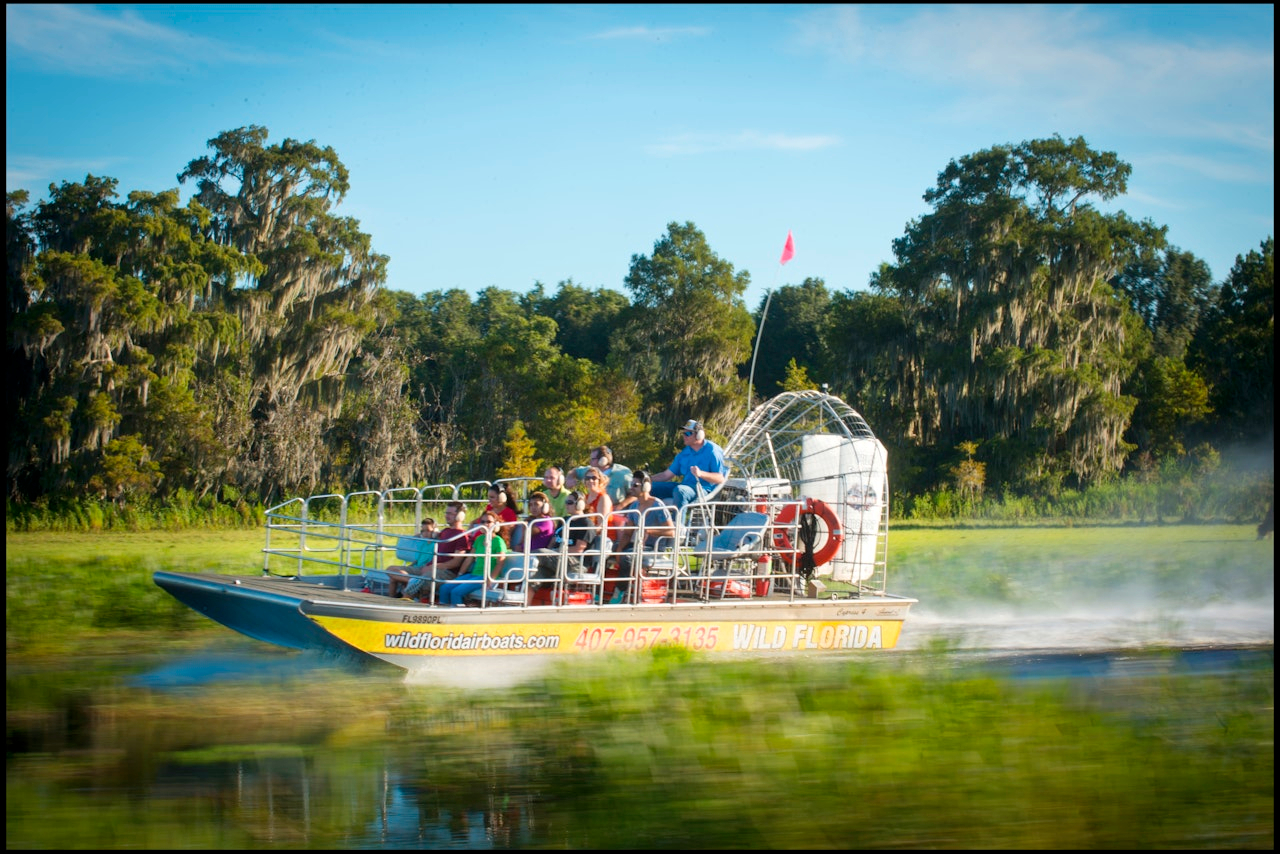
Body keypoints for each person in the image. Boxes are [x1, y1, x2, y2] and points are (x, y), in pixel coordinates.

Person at [611, 469, 675, 602]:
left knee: (628, 557)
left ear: (645, 487)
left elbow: (671, 531)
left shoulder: (657, 505)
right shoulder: (634, 505)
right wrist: (619, 549)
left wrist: (649, 531)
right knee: (613, 548)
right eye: (631, 484)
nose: (631, 488)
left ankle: (620, 591)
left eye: (635, 485)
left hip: (653, 548)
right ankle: (608, 589)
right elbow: (628, 532)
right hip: (638, 545)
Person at [400, 502, 475, 601]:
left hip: (446, 572)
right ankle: (402, 594)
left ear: (460, 516)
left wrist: (433, 567)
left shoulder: (462, 536)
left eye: (450, 514)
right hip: (429, 568)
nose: (446, 516)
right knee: (393, 570)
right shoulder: (445, 531)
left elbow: (456, 562)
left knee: (423, 579)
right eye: (446, 513)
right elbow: (430, 536)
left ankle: (405, 601)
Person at [650, 419, 728, 510]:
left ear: (699, 435)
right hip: (684, 486)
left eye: (688, 434)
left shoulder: (712, 451)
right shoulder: (684, 454)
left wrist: (701, 474)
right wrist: (646, 479)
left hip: (702, 489)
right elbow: (665, 475)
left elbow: (720, 478)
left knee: (680, 491)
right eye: (683, 433)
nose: (684, 436)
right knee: (649, 488)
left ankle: (678, 523)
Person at [438, 511, 509, 606]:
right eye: (482, 522)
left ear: (495, 524)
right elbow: (469, 559)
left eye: (488, 522)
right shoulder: (479, 539)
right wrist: (460, 574)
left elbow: (500, 562)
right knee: (444, 588)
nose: (485, 524)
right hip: (474, 574)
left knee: (456, 592)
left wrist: (490, 579)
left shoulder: (498, 541)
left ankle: (458, 615)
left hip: (485, 576)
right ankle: (443, 612)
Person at [386, 517, 438, 599]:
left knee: (393, 573)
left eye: (428, 531)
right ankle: (392, 597)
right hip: (416, 567)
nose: (425, 534)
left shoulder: (437, 544)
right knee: (391, 572)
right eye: (423, 531)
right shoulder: (423, 543)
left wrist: (436, 534)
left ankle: (411, 583)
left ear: (434, 531)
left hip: (423, 569)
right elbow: (417, 559)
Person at [567, 445, 632, 504]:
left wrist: (621, 506)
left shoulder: (622, 473)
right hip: (595, 510)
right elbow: (574, 471)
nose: (590, 462)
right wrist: (570, 478)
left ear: (603, 460)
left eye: (593, 459)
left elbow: (635, 494)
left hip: (617, 512)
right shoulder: (590, 471)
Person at [580, 464, 614, 544]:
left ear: (600, 480)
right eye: (587, 478)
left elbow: (601, 525)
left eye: (594, 478)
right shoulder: (585, 497)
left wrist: (583, 535)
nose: (590, 481)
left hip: (603, 538)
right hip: (588, 536)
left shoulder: (603, 498)